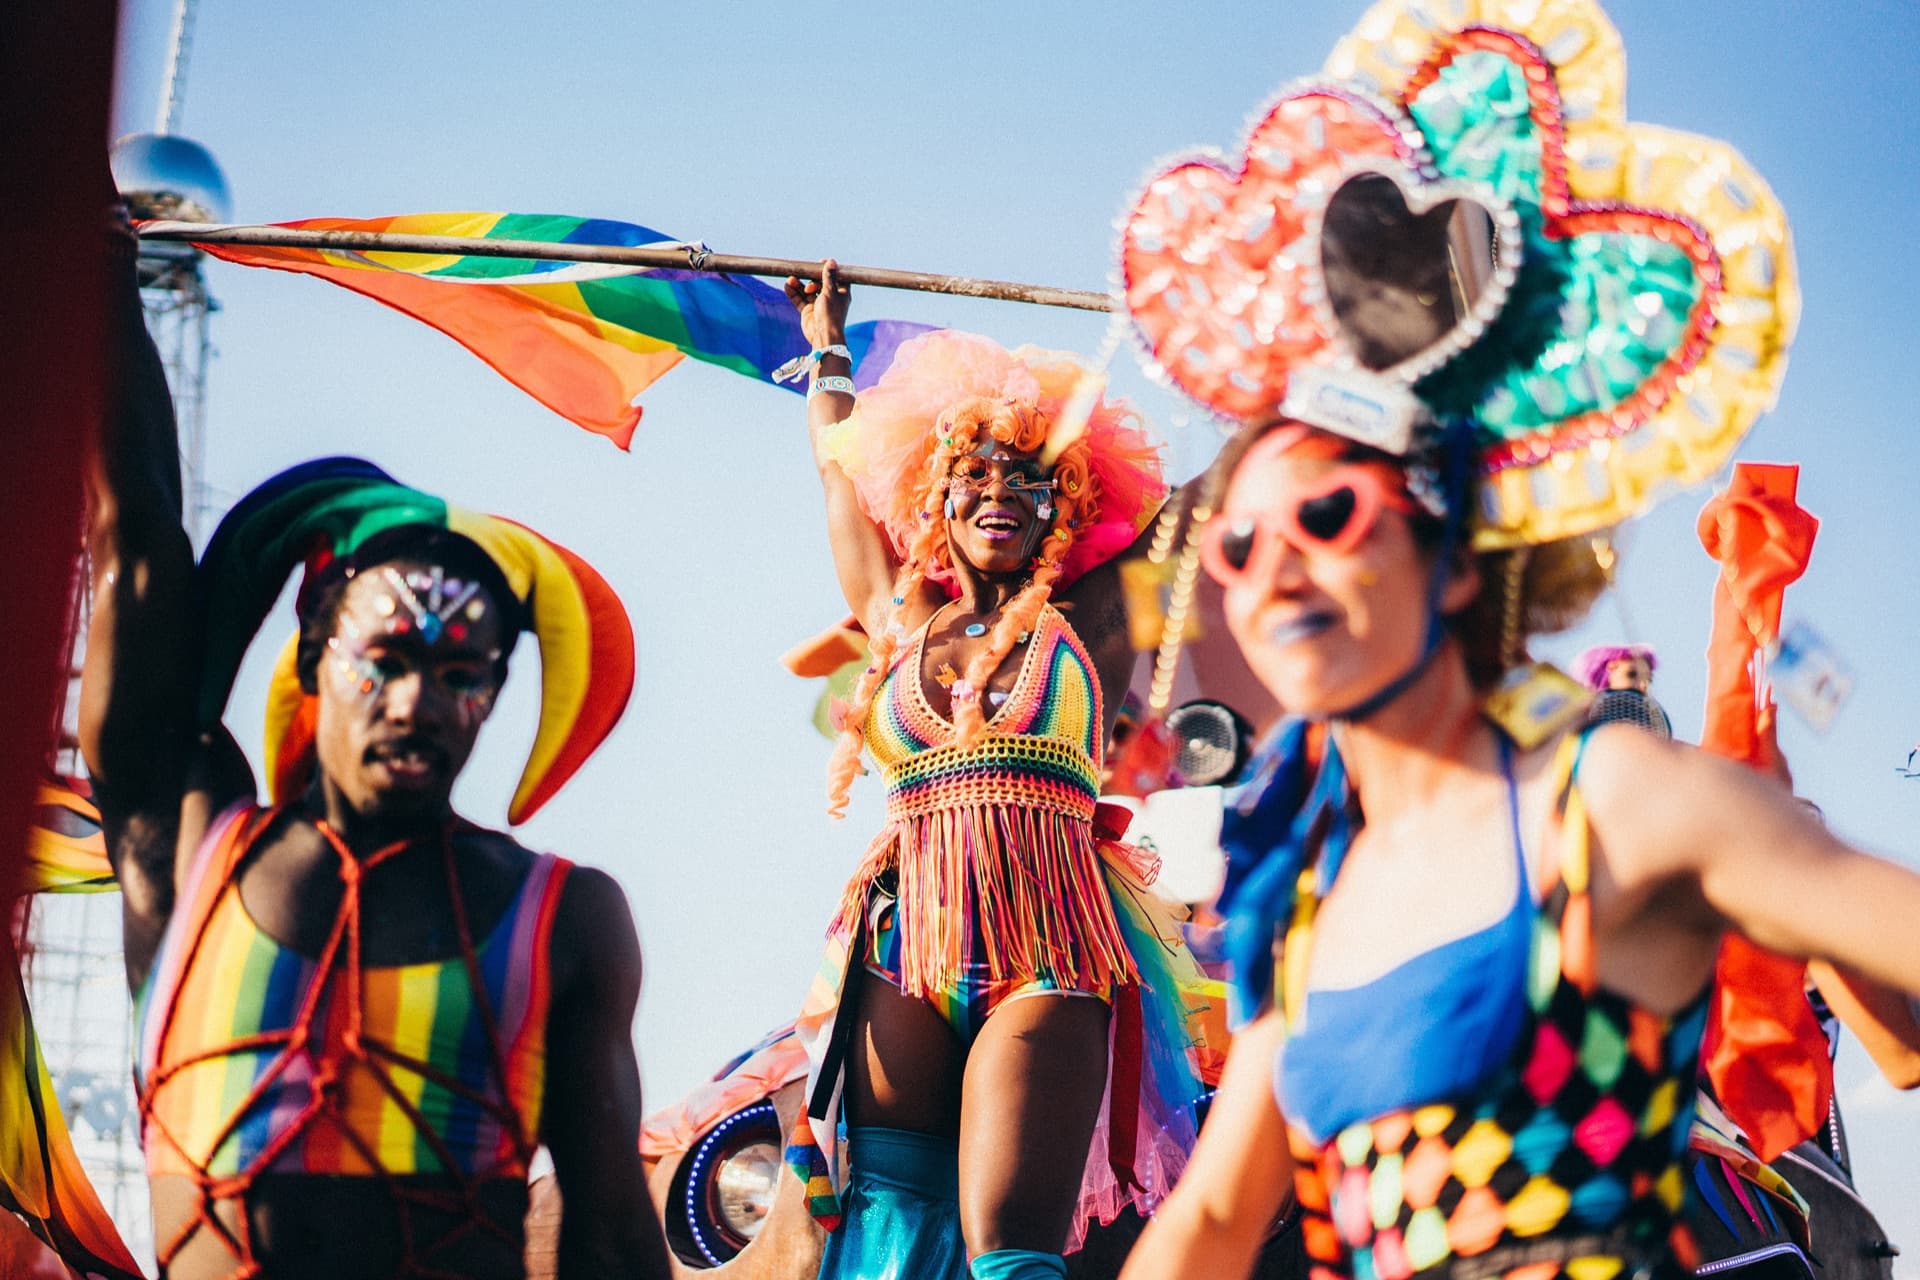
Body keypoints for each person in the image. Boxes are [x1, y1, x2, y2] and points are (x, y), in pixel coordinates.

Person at [1105, 5, 1920, 1277]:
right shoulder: (1309, 890)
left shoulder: (1612, 799)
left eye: (1326, 515)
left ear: (1446, 548)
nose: (1275, 569)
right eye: (1239, 544)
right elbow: (1210, 1221)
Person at [84, 213, 671, 1280]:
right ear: (314, 658)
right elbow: (137, 547)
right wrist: (100, 277)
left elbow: (614, 1238)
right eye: (388, 658)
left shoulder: (566, 916)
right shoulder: (186, 841)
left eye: (462, 674)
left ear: (493, 696)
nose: (419, 700)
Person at [777, 263, 1212, 1280]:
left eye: (1030, 476)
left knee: (1007, 1253)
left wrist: (1235, 337)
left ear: (1065, 498)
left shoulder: (1087, 620)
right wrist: (826, 342)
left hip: (1048, 950)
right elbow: (837, 471)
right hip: (904, 947)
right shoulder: (898, 615)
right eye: (978, 472)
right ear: (937, 488)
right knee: (889, 1227)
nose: (1002, 493)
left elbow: (1218, 501)